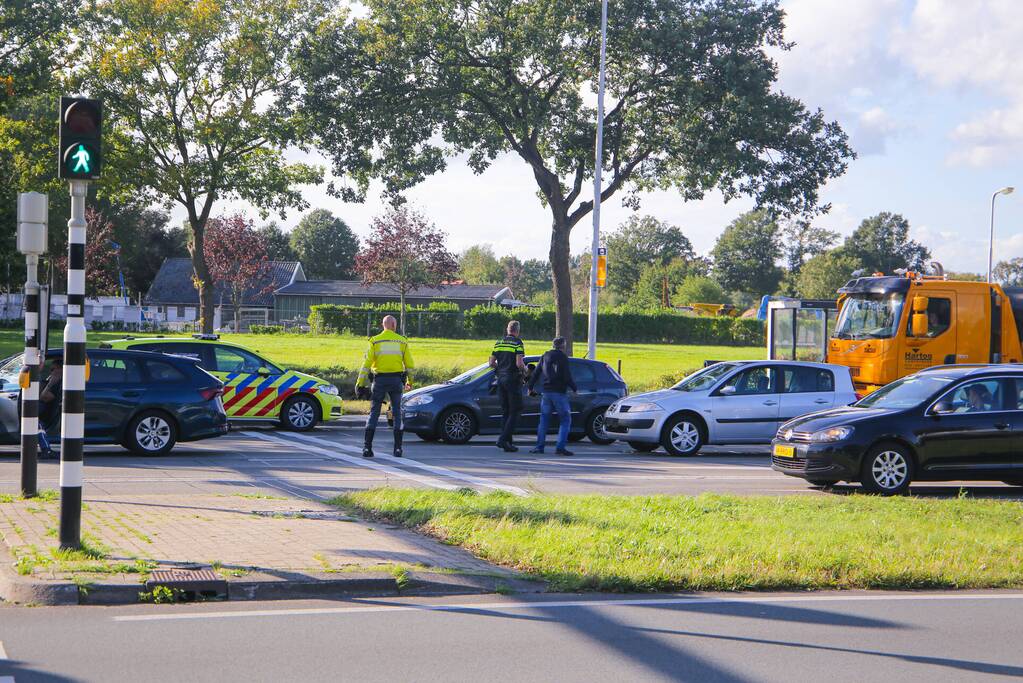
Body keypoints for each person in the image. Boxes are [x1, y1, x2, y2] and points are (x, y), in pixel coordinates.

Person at [355, 315, 415, 458]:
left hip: (379, 381)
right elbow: (410, 365)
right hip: (396, 381)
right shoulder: (402, 341)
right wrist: (410, 382)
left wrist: (360, 383)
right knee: (397, 413)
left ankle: (367, 448)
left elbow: (366, 365)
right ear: (394, 325)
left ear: (383, 325)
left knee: (374, 413)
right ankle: (398, 449)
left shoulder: (375, 341)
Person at [527, 337, 577, 456]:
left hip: (546, 393)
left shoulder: (545, 356)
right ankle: (560, 447)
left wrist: (530, 387)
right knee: (565, 419)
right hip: (559, 393)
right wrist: (574, 388)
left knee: (544, 420)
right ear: (563, 346)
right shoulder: (563, 357)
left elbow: (536, 373)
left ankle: (539, 447)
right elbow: (567, 376)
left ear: (553, 345)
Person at [489, 320, 526, 452]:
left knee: (506, 411)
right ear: (517, 331)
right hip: (512, 379)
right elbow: (519, 364)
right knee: (515, 410)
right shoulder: (518, 343)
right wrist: (526, 371)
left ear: (507, 329)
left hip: (501, 379)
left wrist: (500, 369)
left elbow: (491, 362)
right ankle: (503, 439)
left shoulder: (499, 342)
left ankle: (507, 443)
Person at [37, 357, 63, 458]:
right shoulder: (54, 381)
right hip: (43, 411)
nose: (50, 372)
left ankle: (46, 450)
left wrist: (51, 383)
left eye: (53, 369)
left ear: (60, 369)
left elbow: (44, 397)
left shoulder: (58, 383)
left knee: (36, 423)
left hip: (46, 414)